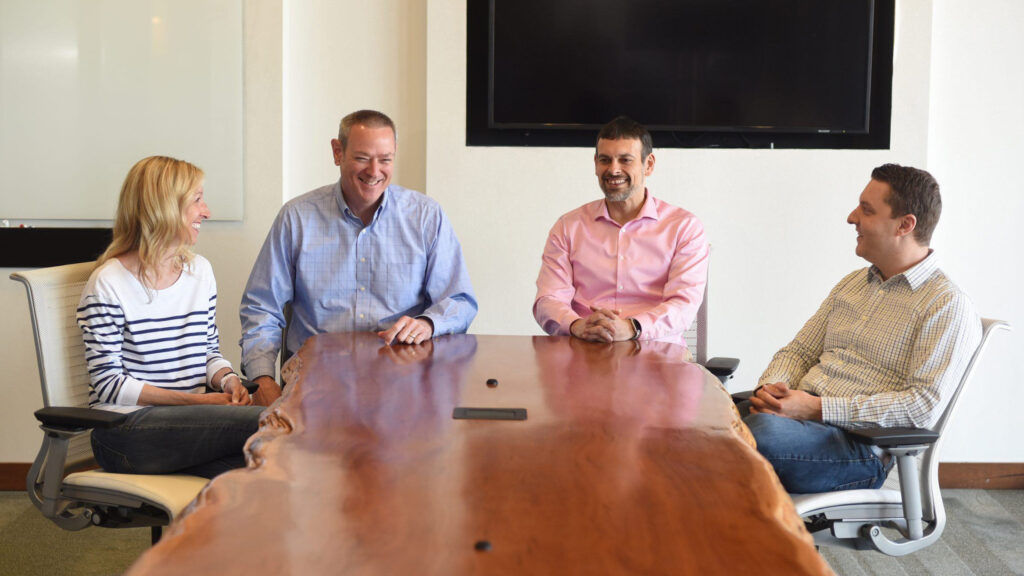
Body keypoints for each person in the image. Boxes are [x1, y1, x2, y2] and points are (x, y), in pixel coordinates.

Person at [743, 164, 981, 494]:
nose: (852, 217)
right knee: (703, 419)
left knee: (751, 436)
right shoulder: (853, 284)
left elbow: (921, 407)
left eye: (866, 210)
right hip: (798, 420)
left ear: (905, 225)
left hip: (860, 449)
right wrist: (774, 390)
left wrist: (816, 409)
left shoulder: (946, 305)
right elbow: (798, 352)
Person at [240, 109, 477, 405]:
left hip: (405, 389)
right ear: (337, 152)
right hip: (315, 389)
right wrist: (262, 380)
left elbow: (461, 301)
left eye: (385, 159)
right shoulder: (297, 218)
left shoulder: (426, 217)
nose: (374, 171)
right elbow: (261, 307)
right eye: (363, 158)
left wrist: (429, 324)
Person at [77, 156, 263, 479]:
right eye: (197, 200)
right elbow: (109, 385)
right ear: (164, 207)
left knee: (263, 467)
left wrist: (228, 380)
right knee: (268, 422)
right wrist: (201, 404)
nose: (207, 211)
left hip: (184, 430)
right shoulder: (108, 283)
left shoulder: (200, 272)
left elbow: (207, 351)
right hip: (123, 434)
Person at [532, 116, 709, 354]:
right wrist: (577, 325)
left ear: (649, 164)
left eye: (625, 160)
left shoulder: (684, 228)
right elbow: (548, 299)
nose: (613, 169)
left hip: (659, 355)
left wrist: (632, 327)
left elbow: (683, 305)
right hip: (585, 351)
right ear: (595, 164)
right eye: (605, 160)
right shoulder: (567, 227)